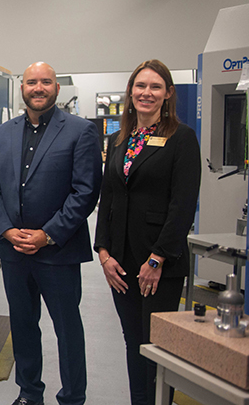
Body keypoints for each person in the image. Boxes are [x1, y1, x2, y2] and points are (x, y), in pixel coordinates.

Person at [0, 62, 102, 405]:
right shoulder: (2, 133)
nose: (38, 88)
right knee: (23, 326)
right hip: (14, 253)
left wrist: (48, 234)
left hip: (58, 252)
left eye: (45, 82)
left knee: (67, 330)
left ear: (57, 88)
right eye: (31, 82)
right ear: (21, 88)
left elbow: (85, 192)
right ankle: (29, 393)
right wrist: (6, 229)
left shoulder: (80, 131)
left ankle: (72, 397)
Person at [94, 59, 201, 405]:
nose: (146, 93)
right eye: (140, 86)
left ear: (168, 94)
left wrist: (156, 259)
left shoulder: (181, 139)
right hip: (121, 263)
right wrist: (104, 253)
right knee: (133, 342)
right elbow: (108, 196)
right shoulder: (119, 139)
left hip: (159, 264)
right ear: (130, 92)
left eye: (155, 87)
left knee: (157, 347)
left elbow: (182, 205)